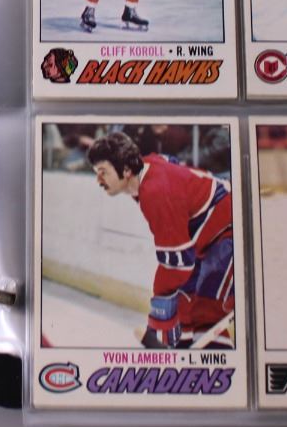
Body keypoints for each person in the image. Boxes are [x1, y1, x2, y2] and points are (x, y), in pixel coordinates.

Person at [85, 131, 235, 349]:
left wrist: (159, 299)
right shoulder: (146, 168)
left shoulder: (155, 192)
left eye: (103, 172)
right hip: (209, 236)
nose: (98, 180)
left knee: (206, 310)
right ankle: (183, 348)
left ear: (126, 170)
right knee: (184, 301)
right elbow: (169, 162)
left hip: (230, 229)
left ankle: (211, 358)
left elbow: (177, 265)